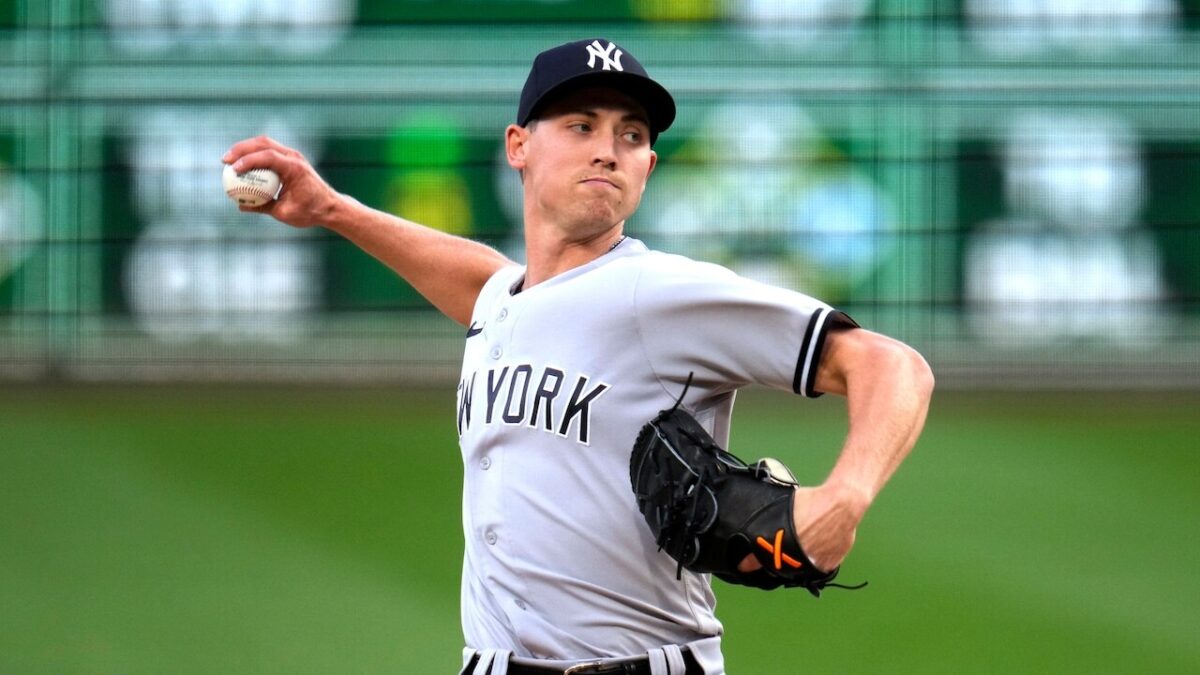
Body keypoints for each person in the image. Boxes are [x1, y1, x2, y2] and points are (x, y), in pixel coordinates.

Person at [224, 38, 933, 675]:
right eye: (581, 125)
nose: (608, 149)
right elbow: (484, 281)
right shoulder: (505, 299)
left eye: (631, 135)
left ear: (648, 166)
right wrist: (332, 210)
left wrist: (847, 495)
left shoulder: (658, 293)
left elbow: (891, 364)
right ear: (518, 146)